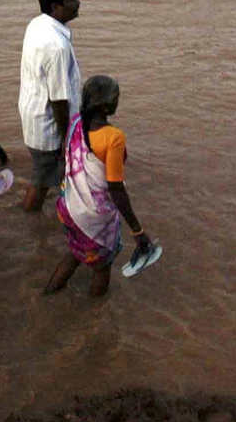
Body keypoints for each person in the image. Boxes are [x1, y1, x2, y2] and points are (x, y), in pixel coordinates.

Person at [44, 76, 155, 297]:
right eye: (116, 98)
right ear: (105, 105)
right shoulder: (113, 138)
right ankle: (95, 318)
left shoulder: (75, 122)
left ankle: (47, 296)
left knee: (75, 253)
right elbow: (116, 189)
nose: (117, 101)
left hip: (69, 208)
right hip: (93, 218)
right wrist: (137, 231)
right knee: (102, 266)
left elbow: (71, 161)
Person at [18, 0, 81, 212]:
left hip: (33, 114)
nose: (78, 3)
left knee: (44, 175)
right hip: (47, 126)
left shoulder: (37, 24)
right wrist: (67, 138)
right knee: (42, 182)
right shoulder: (57, 46)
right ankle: (30, 222)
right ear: (56, 7)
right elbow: (58, 99)